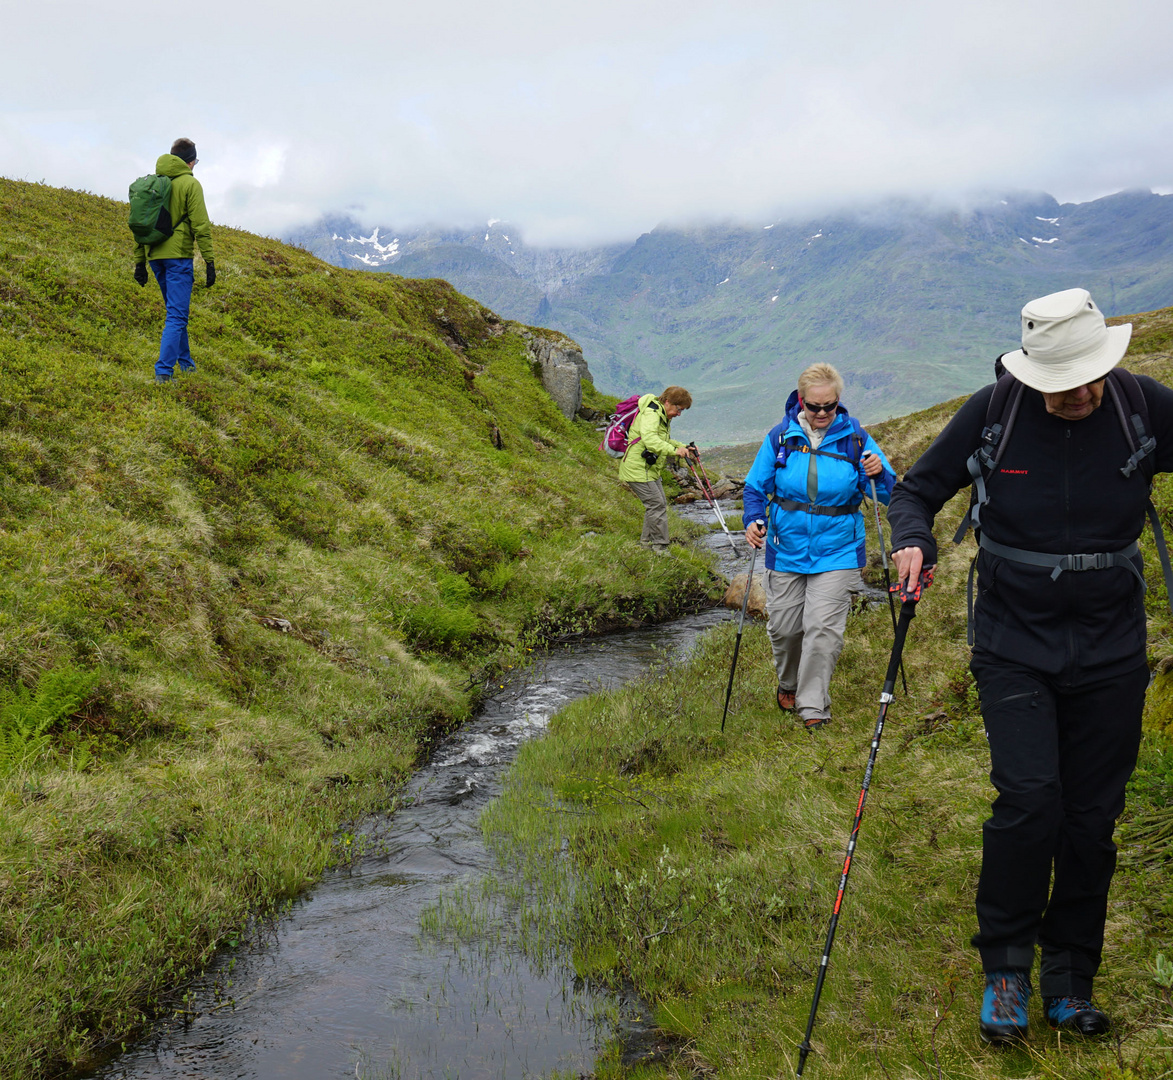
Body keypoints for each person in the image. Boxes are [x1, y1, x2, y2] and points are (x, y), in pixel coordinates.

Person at [888, 288, 1173, 1043]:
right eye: (1059, 384)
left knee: (1090, 821)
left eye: (1087, 379)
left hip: (1113, 647)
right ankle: (1006, 972)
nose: (1077, 395)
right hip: (1013, 640)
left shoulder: (1140, 404)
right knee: (1029, 802)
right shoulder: (994, 412)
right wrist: (911, 538)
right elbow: (917, 488)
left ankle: (1070, 981)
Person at [742, 363, 896, 729]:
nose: (823, 413)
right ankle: (789, 682)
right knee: (784, 628)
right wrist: (753, 519)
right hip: (786, 547)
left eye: (830, 405)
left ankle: (812, 707)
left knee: (822, 629)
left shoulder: (855, 439)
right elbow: (754, 487)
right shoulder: (781, 436)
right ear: (801, 401)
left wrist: (879, 473)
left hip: (838, 549)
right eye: (815, 407)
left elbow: (889, 493)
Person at [133, 138, 216, 383]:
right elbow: (201, 225)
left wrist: (140, 262)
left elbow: (141, 224)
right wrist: (209, 262)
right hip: (178, 257)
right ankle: (163, 374)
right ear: (190, 161)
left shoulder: (154, 183)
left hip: (155, 257)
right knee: (177, 317)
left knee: (174, 312)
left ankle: (187, 366)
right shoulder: (190, 184)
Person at [618, 386, 697, 555]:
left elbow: (663, 439)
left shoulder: (660, 415)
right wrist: (675, 451)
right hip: (637, 469)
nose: (679, 414)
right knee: (656, 504)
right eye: (679, 409)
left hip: (648, 469)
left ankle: (646, 544)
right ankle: (660, 548)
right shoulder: (652, 414)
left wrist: (682, 447)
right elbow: (651, 440)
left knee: (656, 504)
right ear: (668, 402)